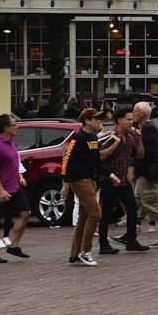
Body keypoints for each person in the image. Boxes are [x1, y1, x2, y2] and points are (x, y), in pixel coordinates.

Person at [97, 105, 149, 256]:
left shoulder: (132, 137)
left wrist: (139, 141)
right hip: (109, 179)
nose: (131, 122)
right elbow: (101, 156)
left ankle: (131, 240)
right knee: (106, 212)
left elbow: (139, 155)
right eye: (128, 120)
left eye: (132, 119)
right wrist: (115, 144)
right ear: (119, 121)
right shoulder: (110, 136)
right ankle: (103, 244)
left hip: (123, 180)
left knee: (132, 209)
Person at [61, 106, 110, 266]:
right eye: (96, 119)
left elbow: (96, 161)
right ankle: (85, 251)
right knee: (96, 213)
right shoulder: (78, 138)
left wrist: (110, 174)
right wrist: (66, 183)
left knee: (83, 217)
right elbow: (66, 160)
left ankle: (74, 254)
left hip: (91, 180)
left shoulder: (94, 138)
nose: (99, 122)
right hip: (80, 181)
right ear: (87, 121)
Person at [0, 114, 31, 264]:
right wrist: (0, 190)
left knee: (25, 212)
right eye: (14, 124)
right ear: (6, 128)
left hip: (13, 187)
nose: (17, 126)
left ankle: (14, 246)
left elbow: (14, 163)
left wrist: (19, 176)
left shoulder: (11, 143)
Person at [128, 101, 158, 248]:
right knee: (136, 202)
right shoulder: (142, 128)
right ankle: (130, 234)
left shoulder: (149, 129)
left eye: (135, 111)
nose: (132, 113)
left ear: (142, 113)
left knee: (152, 203)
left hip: (148, 173)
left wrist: (138, 164)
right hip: (143, 173)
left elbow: (154, 154)